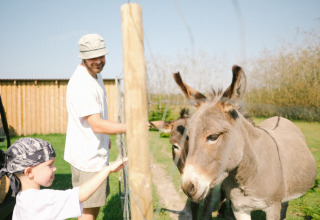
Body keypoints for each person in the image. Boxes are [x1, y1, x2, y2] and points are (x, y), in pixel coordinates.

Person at [64, 33, 128, 220]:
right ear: (83, 56)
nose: (99, 61)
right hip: (88, 159)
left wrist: (105, 140)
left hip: (89, 151)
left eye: (101, 55)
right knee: (89, 212)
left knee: (90, 208)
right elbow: (97, 124)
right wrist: (132, 127)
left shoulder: (94, 76)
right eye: (93, 57)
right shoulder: (83, 83)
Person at [0, 137, 127, 220]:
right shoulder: (40, 200)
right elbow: (81, 194)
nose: (54, 168)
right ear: (29, 172)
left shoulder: (21, 199)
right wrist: (107, 169)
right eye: (49, 165)